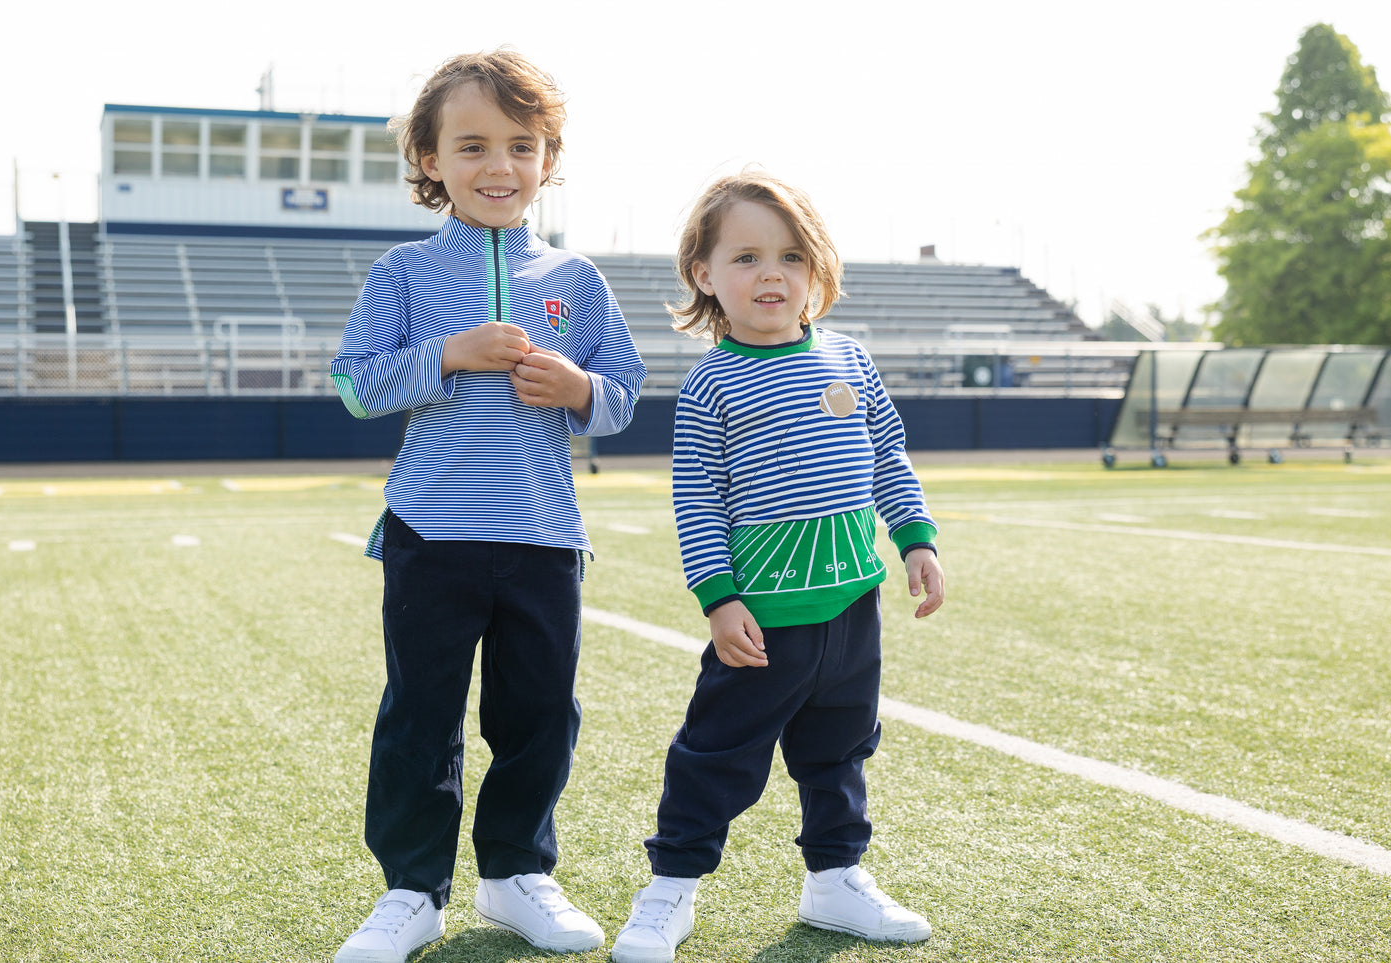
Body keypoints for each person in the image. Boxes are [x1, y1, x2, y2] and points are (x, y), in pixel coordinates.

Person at [328, 48, 646, 963]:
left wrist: (579, 388)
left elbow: (623, 393)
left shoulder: (578, 281)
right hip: (432, 531)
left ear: (547, 158)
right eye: (471, 146)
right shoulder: (403, 272)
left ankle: (514, 876)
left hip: (545, 534)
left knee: (540, 713)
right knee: (420, 715)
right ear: (429, 161)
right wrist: (449, 355)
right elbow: (354, 385)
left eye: (521, 145)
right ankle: (411, 892)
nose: (498, 166)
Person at [610, 171, 945, 963]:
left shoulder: (850, 361)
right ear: (704, 275)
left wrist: (916, 539)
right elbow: (696, 504)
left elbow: (886, 458)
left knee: (840, 750)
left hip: (850, 607)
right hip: (762, 615)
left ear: (815, 271)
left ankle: (835, 879)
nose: (770, 274)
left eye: (791, 256)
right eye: (747, 257)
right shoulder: (710, 384)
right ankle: (670, 891)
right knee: (715, 755)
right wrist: (719, 600)